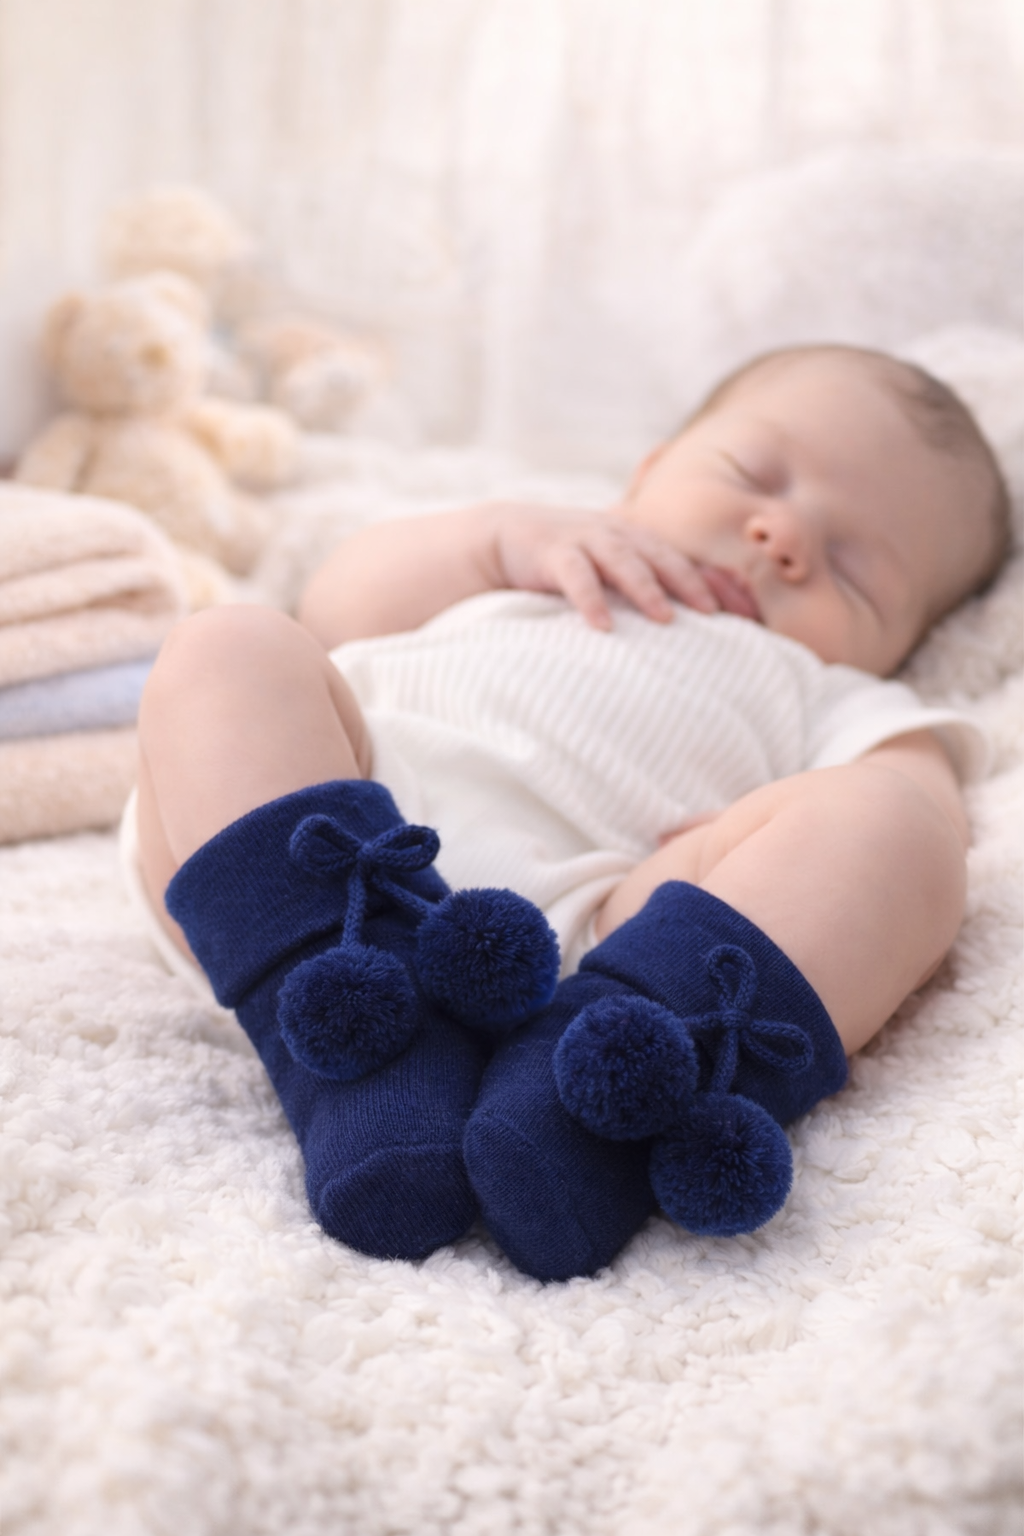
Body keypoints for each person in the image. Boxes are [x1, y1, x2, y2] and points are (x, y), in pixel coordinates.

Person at [124, 343, 1009, 1280]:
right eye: (753, 475)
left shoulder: (826, 689)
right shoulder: (542, 560)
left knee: (891, 831)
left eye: (856, 572)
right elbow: (339, 604)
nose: (783, 538)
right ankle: (359, 1056)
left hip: (594, 941)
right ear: (650, 469)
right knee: (227, 649)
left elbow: (920, 815)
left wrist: (751, 838)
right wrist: (501, 542)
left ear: (902, 646)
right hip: (318, 851)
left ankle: (579, 1114)